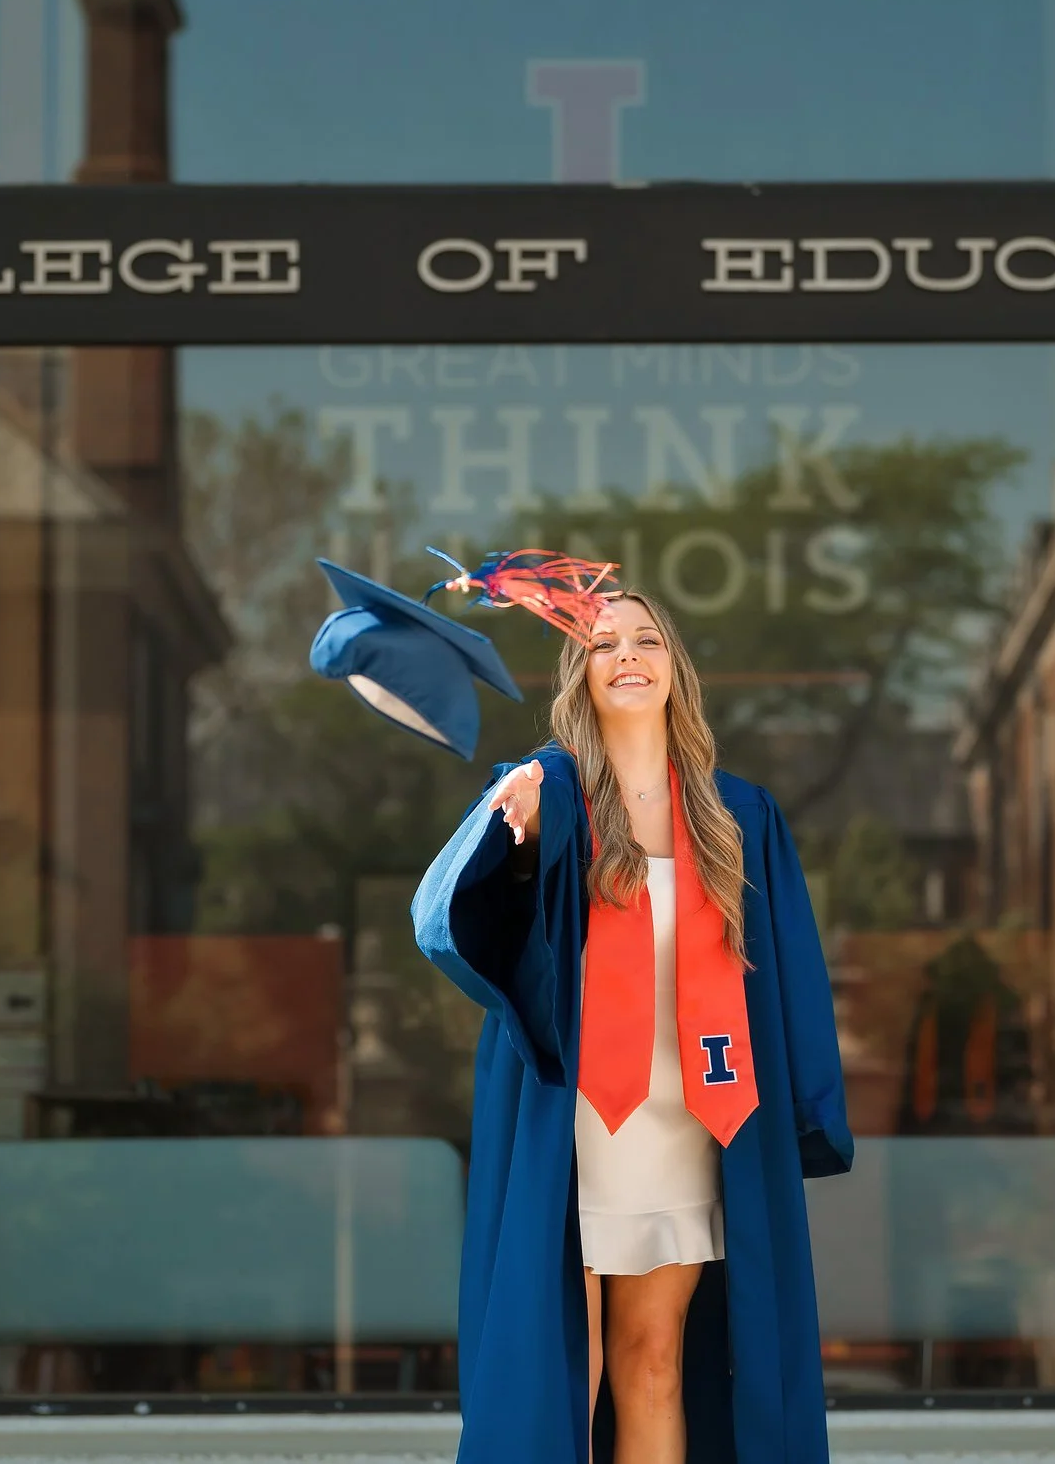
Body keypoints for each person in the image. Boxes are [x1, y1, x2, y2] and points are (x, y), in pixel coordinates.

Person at [410, 589, 852, 1464]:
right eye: (603, 642)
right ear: (581, 674)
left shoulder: (738, 817)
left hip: (692, 1120)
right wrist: (512, 838)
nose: (627, 653)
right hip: (574, 1123)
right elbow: (459, 922)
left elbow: (791, 971)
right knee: (563, 1365)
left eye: (646, 638)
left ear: (674, 669)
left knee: (653, 1359)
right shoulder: (548, 794)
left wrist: (806, 1108)